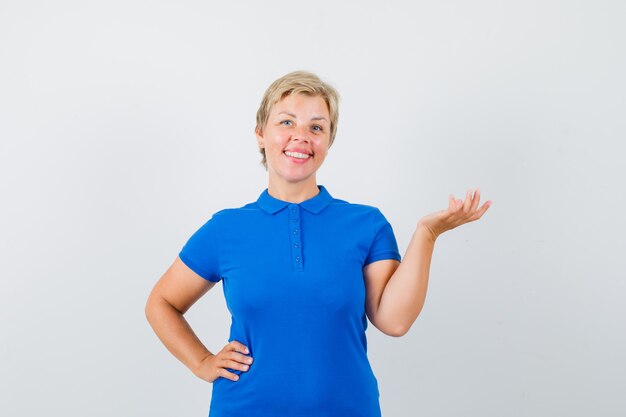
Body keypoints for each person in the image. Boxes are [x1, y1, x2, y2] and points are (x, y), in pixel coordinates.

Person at [145, 70, 492, 417]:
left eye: (316, 127)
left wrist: (427, 235)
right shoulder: (226, 229)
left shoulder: (366, 224)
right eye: (286, 122)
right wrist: (203, 362)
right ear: (260, 135)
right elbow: (161, 303)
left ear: (328, 140)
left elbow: (394, 320)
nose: (301, 137)